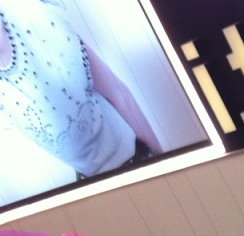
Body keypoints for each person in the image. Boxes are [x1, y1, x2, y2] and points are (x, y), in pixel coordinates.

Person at [0, 1, 161, 180]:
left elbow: (118, 94)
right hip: (93, 185)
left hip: (137, 162)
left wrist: (163, 161)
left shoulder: (38, 22)